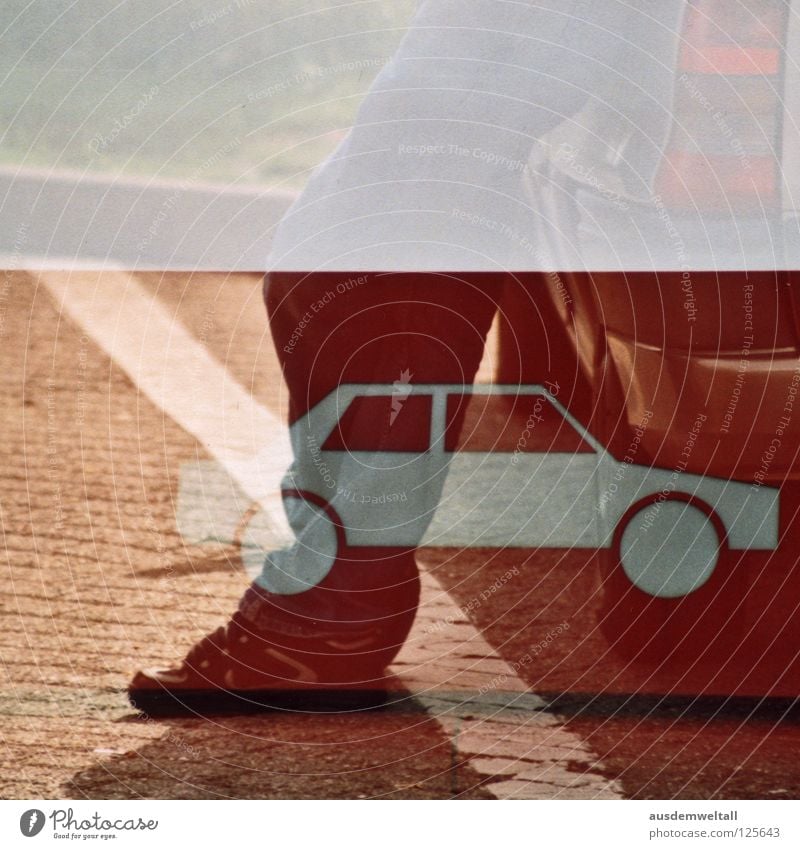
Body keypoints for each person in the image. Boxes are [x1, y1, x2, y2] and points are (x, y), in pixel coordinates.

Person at [128, 0, 685, 711]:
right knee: (325, 285)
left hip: (457, 153)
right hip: (437, 127)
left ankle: (323, 627)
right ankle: (333, 608)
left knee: (382, 322)